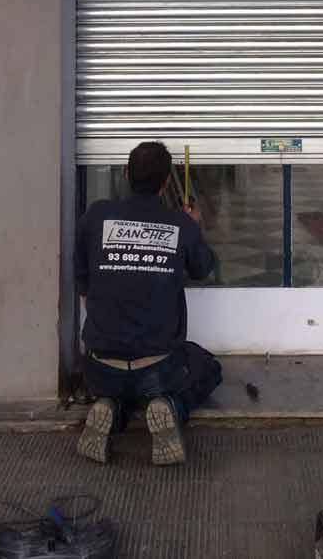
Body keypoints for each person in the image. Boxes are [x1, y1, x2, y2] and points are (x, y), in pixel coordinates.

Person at [75, 140, 222, 466]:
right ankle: (169, 407)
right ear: (167, 182)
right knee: (208, 368)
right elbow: (203, 268)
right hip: (158, 366)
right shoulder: (179, 224)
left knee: (118, 385)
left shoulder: (96, 215)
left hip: (100, 363)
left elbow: (82, 282)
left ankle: (111, 409)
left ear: (126, 173)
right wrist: (194, 226)